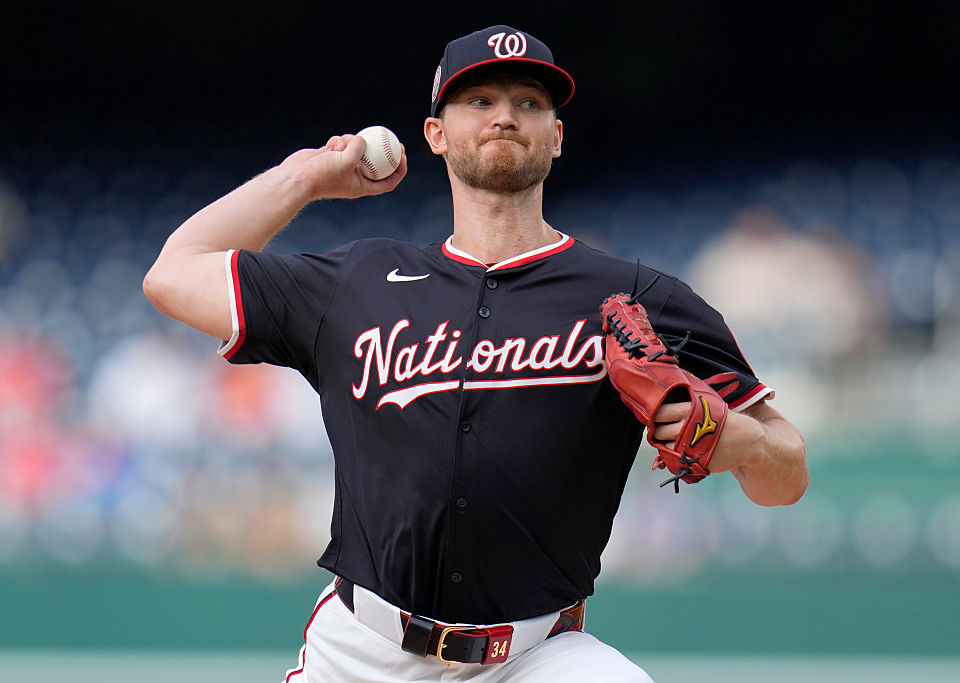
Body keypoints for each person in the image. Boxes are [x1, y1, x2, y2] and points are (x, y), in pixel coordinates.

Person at [143, 25, 808, 682]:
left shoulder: (636, 297)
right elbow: (171, 276)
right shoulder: (358, 282)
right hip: (361, 653)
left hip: (534, 656)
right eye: (480, 100)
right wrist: (305, 177)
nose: (505, 116)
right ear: (436, 134)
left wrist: (747, 443)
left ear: (556, 136)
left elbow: (789, 473)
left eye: (529, 102)